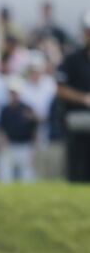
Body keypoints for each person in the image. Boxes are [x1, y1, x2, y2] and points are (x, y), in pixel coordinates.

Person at [56, 11, 90, 182]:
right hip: (78, 119)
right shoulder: (72, 60)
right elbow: (61, 89)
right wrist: (84, 98)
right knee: (78, 168)